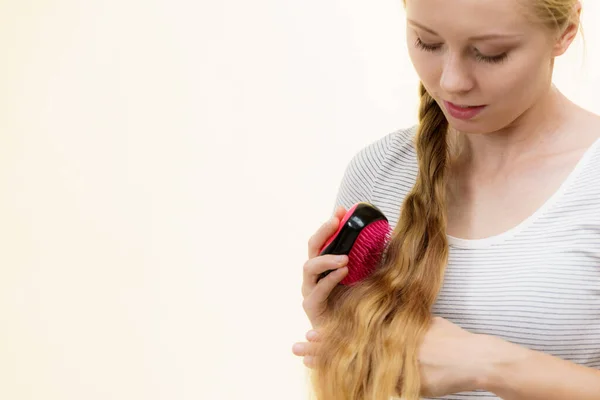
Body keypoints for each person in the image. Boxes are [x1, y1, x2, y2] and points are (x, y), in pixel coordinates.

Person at [292, 0, 600, 399]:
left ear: (566, 30)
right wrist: (346, 335)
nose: (452, 81)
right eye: (427, 42)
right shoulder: (379, 169)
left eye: (491, 53)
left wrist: (490, 364)